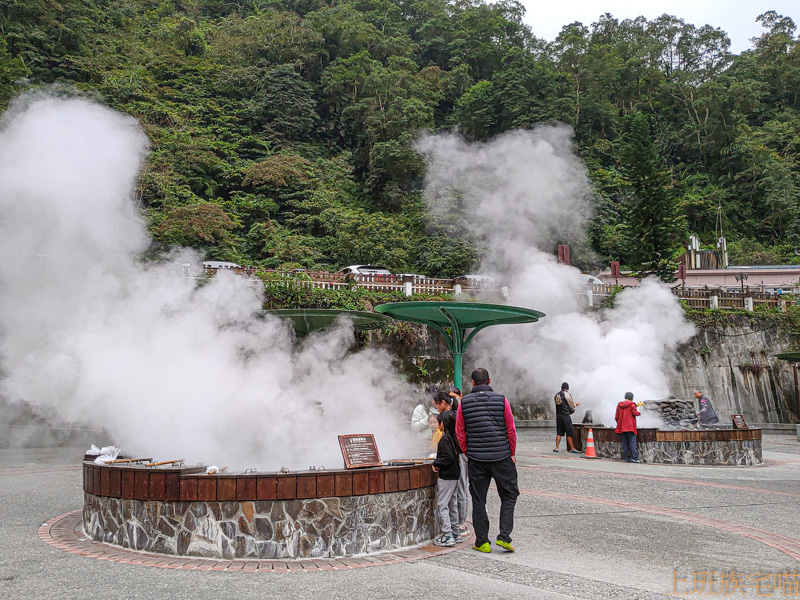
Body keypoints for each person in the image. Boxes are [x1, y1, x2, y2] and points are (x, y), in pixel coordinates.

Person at [456, 367, 519, 553]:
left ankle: (482, 541)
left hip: (477, 459)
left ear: (473, 383)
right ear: (489, 381)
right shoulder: (502, 400)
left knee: (478, 499)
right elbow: (511, 430)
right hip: (502, 457)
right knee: (508, 496)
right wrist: (512, 452)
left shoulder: (464, 403)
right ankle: (504, 538)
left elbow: (460, 432)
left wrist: (469, 451)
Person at [435, 389, 469, 538]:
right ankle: (457, 527)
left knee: (460, 491)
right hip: (459, 455)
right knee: (455, 496)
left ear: (443, 403)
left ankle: (460, 525)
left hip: (459, 457)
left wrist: (438, 462)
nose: (436, 407)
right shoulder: (453, 414)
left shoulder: (451, 416)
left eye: (437, 405)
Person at [432, 410, 462, 547]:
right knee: (452, 504)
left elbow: (447, 458)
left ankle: (448, 535)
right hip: (455, 475)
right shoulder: (455, 437)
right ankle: (456, 533)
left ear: (442, 424)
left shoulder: (444, 439)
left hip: (446, 476)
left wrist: (436, 463)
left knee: (442, 505)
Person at [554, 382, 581, 453]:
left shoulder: (557, 395)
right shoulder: (566, 394)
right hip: (565, 416)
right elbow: (571, 404)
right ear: (567, 388)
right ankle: (572, 448)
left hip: (558, 416)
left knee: (559, 432)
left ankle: (556, 447)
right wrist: (576, 404)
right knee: (569, 432)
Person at [615, 392, 641, 463]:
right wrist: (640, 413)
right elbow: (635, 413)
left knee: (625, 443)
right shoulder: (632, 405)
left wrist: (620, 423)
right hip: (630, 427)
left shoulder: (619, 405)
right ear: (632, 397)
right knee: (632, 442)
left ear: (625, 397)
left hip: (622, 428)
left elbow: (616, 417)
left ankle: (626, 457)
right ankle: (634, 458)